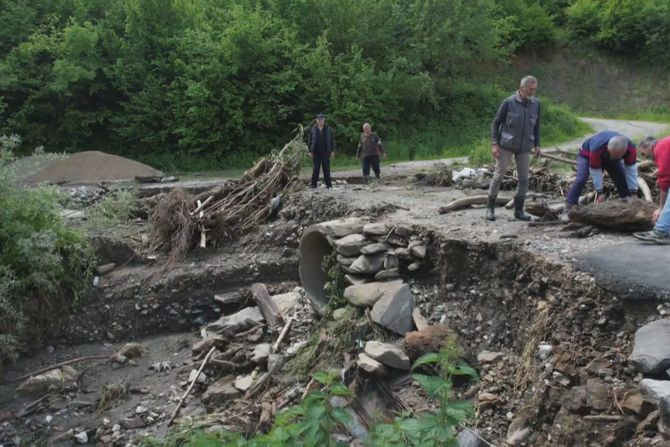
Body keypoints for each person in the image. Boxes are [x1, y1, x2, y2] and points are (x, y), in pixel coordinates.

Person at [487, 75, 542, 221]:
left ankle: (519, 211)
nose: (533, 92)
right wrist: (494, 144)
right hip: (506, 145)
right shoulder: (508, 102)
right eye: (530, 89)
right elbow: (495, 123)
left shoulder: (536, 104)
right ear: (522, 87)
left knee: (524, 179)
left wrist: (537, 144)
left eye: (534, 89)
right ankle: (490, 209)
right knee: (498, 176)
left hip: (525, 147)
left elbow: (536, 126)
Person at [565, 131, 638, 208]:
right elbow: (595, 171)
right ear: (608, 147)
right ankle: (570, 204)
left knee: (621, 179)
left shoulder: (631, 149)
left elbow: (631, 171)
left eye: (617, 156)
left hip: (610, 155)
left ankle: (628, 203)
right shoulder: (597, 148)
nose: (613, 157)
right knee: (581, 179)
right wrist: (599, 192)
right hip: (587, 155)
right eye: (612, 154)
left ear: (624, 151)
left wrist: (633, 193)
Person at [633, 136, 670, 244]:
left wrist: (660, 208)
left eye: (643, 154)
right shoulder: (663, 145)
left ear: (649, 147)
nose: (644, 159)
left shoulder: (660, 149)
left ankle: (661, 231)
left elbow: (665, 183)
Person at [308, 113, 335, 189]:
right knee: (315, 169)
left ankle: (329, 185)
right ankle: (313, 185)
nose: (320, 121)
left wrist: (332, 150)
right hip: (316, 153)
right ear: (316, 120)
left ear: (324, 120)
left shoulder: (328, 129)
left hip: (326, 152)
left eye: (322, 119)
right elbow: (310, 141)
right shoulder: (313, 129)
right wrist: (310, 151)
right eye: (319, 120)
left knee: (326, 169)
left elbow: (332, 140)